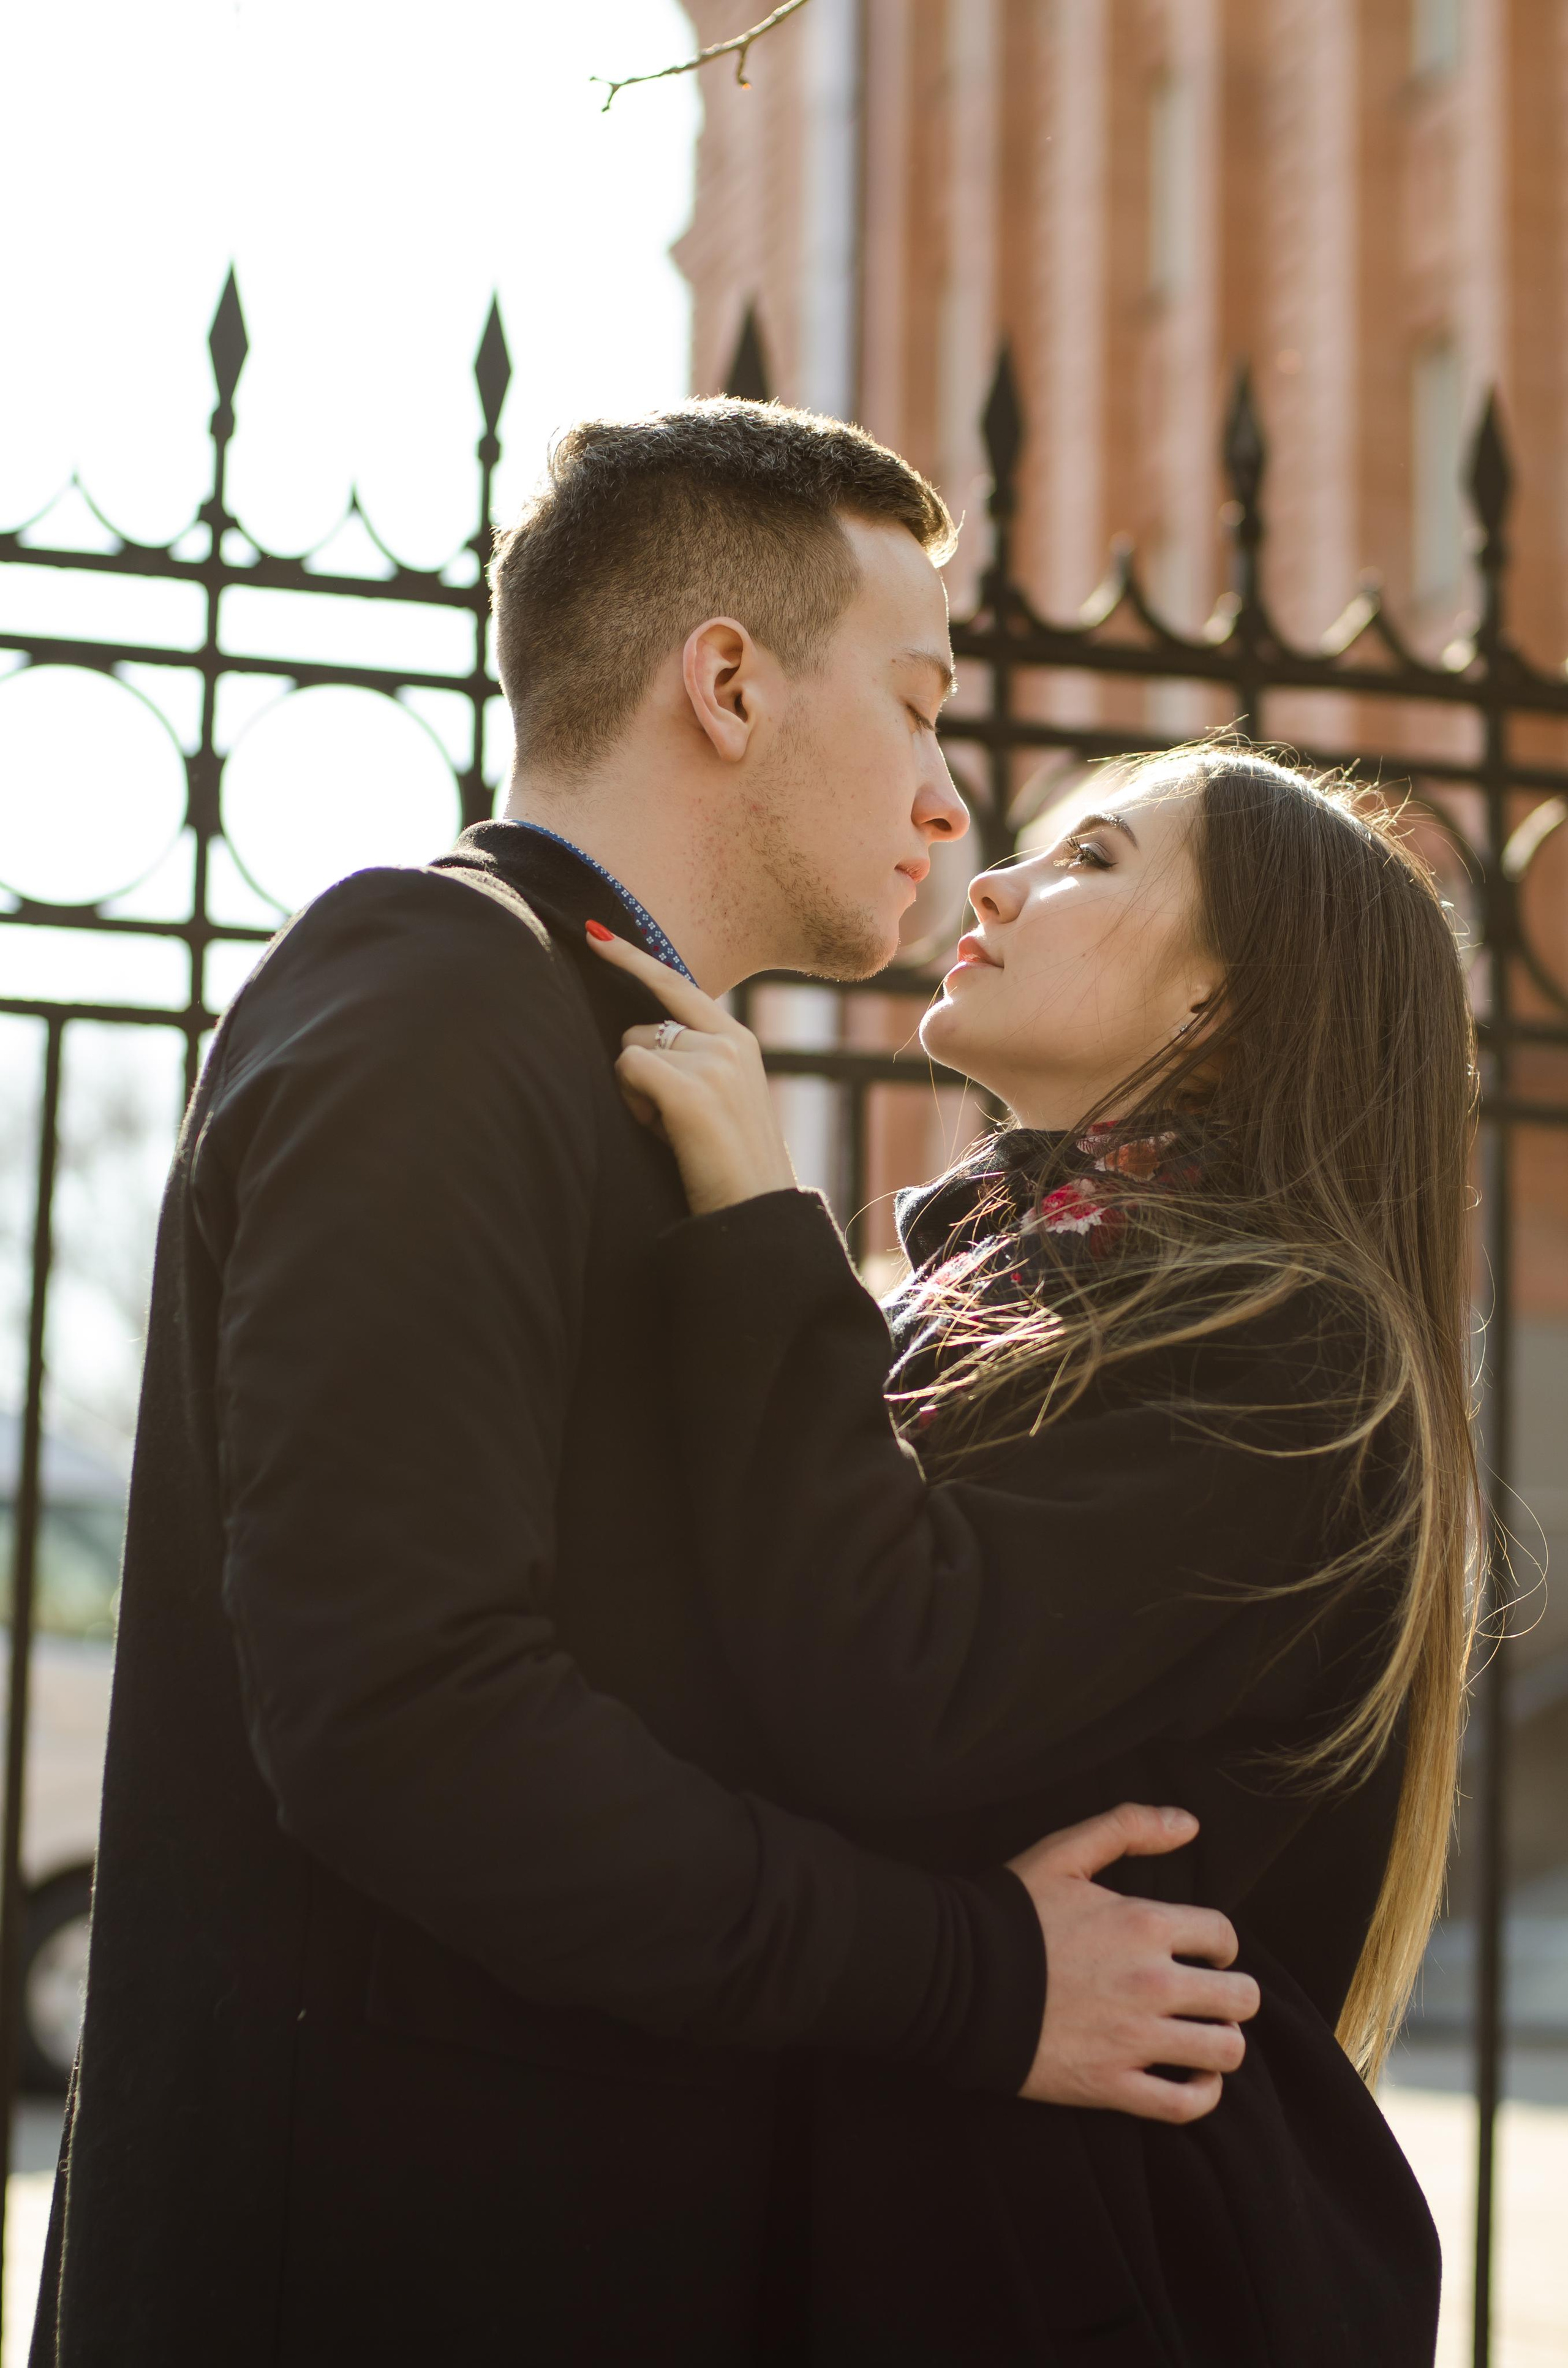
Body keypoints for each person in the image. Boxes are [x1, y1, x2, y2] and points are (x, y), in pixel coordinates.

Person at [33, 409, 1264, 2368]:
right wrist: (976, 1974)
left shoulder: (634, 1066)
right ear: (725, 682)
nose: (955, 808)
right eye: (920, 700)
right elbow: (407, 1719)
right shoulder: (430, 994)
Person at [584, 741, 1475, 2366]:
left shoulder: (1286, 1350)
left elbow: (886, 1685)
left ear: (1228, 1004)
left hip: (1065, 2260)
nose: (991, 878)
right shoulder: (1009, 1284)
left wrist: (745, 1211)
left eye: (1092, 860)